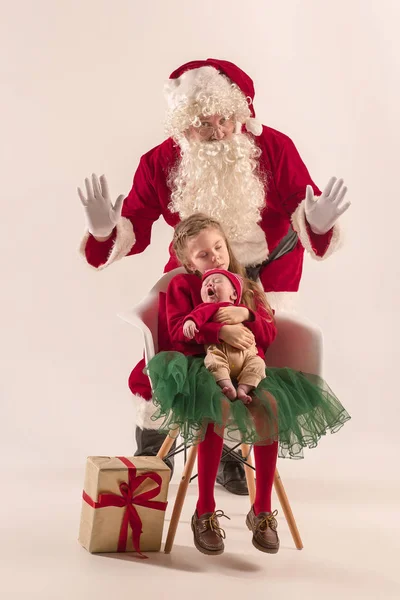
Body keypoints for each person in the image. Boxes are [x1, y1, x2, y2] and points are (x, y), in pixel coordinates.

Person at [77, 58, 351, 494]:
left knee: (248, 362)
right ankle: (154, 451)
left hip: (266, 278)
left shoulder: (273, 148)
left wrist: (317, 224)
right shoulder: (160, 162)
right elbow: (133, 225)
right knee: (166, 357)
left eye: (227, 118)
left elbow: (307, 211)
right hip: (193, 275)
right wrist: (103, 231)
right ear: (184, 124)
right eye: (204, 123)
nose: (219, 130)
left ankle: (229, 453)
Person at [145, 213, 350, 556]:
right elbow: (178, 332)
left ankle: (262, 510)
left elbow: (269, 334)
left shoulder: (247, 286)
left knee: (268, 406)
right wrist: (218, 330)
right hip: (202, 368)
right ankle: (205, 509)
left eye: (218, 248)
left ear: (227, 245)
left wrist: (247, 316)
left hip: (249, 368)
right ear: (187, 261)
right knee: (218, 406)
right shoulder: (182, 286)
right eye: (203, 255)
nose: (215, 258)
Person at [183, 268, 271, 404]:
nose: (209, 284)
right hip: (220, 352)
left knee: (258, 364)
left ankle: (243, 388)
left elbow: (266, 331)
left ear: (234, 294)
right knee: (213, 361)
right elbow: (196, 316)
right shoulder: (206, 308)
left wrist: (247, 314)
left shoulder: (241, 309)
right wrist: (190, 322)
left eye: (216, 281)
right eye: (205, 283)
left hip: (247, 355)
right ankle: (227, 385)